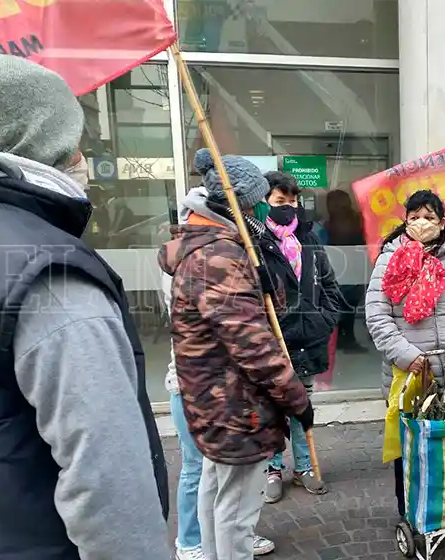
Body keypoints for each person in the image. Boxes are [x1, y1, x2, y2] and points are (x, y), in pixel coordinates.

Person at [0, 52, 171, 559]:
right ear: (41, 139)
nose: (83, 157)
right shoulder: (49, 275)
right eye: (76, 141)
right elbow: (107, 481)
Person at [160, 148, 314, 560]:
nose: (264, 210)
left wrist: (263, 277)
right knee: (235, 512)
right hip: (233, 405)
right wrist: (296, 398)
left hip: (218, 401)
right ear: (239, 204)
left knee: (217, 493)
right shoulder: (219, 257)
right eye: (257, 202)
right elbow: (253, 346)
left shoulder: (219, 248)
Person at [365, 190, 445, 519]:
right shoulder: (389, 258)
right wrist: (406, 355)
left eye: (429, 217)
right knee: (410, 449)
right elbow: (377, 316)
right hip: (409, 375)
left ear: (442, 222)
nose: (421, 223)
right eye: (414, 216)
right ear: (405, 220)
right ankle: (412, 513)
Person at [163, 242, 277, 559]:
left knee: (215, 481)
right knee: (200, 473)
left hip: (214, 392)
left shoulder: (200, 261)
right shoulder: (201, 269)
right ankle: (190, 542)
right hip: (209, 394)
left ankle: (214, 544)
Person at [256, 171, 341, 502]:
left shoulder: (309, 238)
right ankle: (273, 469)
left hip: (307, 339)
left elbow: (329, 283)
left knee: (302, 406)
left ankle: (304, 467)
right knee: (273, 410)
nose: (288, 208)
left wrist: (325, 319)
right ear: (265, 202)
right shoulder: (257, 243)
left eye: (292, 201)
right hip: (274, 343)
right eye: (280, 202)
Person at [323, 189, 369, 352]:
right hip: (351, 267)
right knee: (348, 305)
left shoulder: (330, 223)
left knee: (344, 305)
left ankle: (342, 339)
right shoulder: (355, 220)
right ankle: (346, 339)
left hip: (341, 267)